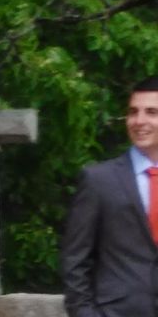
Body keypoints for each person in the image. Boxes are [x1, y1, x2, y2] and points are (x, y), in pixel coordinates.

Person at [62, 75, 158, 317]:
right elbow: (75, 260)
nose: (139, 121)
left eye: (151, 112)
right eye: (133, 112)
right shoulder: (99, 180)